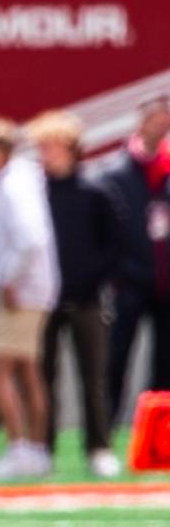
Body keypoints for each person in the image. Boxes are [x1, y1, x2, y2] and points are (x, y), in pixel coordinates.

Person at [0, 117, 60, 482]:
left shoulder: (13, 184)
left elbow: (29, 238)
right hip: (32, 288)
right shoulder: (17, 180)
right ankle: (34, 451)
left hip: (20, 292)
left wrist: (7, 280)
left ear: (2, 150)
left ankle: (21, 447)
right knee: (26, 368)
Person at [28, 110, 122, 477]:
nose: (45, 153)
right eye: (41, 146)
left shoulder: (94, 190)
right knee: (42, 376)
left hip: (87, 300)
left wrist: (93, 281)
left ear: (71, 148)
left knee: (94, 377)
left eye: (51, 146)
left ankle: (99, 447)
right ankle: (43, 448)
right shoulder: (35, 192)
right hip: (44, 300)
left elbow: (115, 243)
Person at [100, 96, 170, 423]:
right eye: (153, 119)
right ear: (140, 123)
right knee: (116, 358)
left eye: (164, 121)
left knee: (165, 363)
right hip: (129, 282)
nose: (159, 126)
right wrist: (115, 272)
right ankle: (107, 425)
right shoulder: (116, 172)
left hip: (165, 284)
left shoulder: (167, 170)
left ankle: (157, 430)